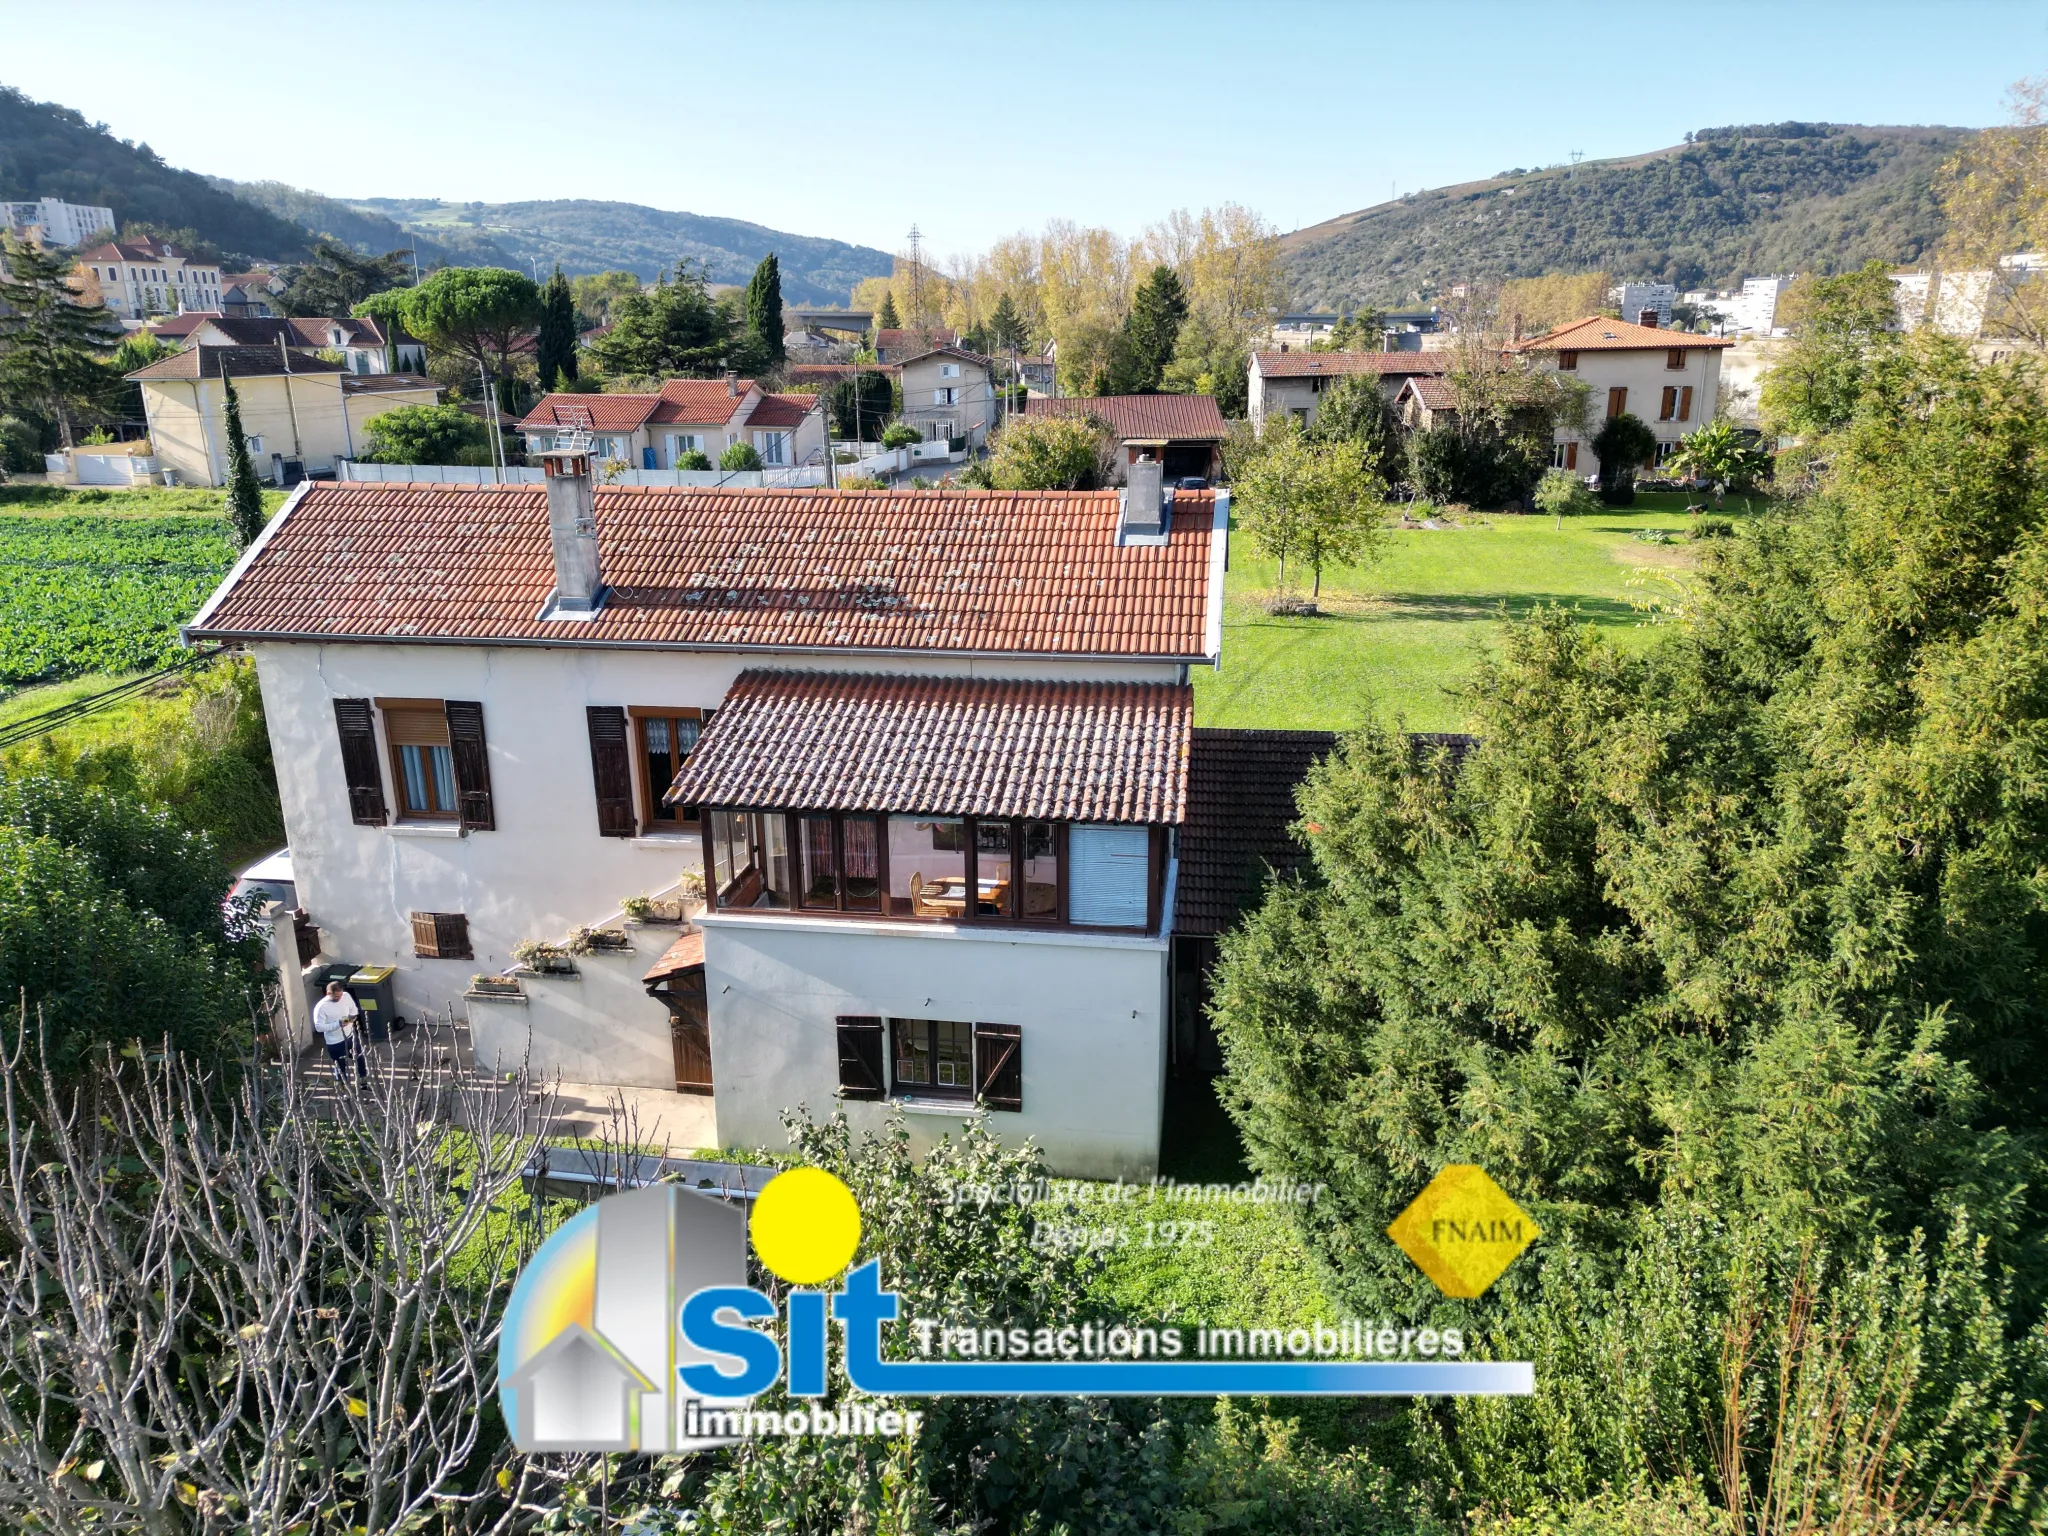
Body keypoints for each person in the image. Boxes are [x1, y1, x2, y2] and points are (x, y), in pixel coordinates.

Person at [313, 980, 367, 1084]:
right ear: (328, 994)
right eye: (337, 996)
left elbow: (354, 1011)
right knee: (340, 1067)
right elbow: (319, 1027)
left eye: (341, 994)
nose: (340, 998)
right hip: (335, 1042)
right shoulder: (321, 1007)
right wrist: (338, 1024)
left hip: (351, 1036)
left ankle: (363, 1082)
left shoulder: (346, 996)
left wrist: (349, 1020)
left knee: (360, 1059)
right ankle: (344, 1090)